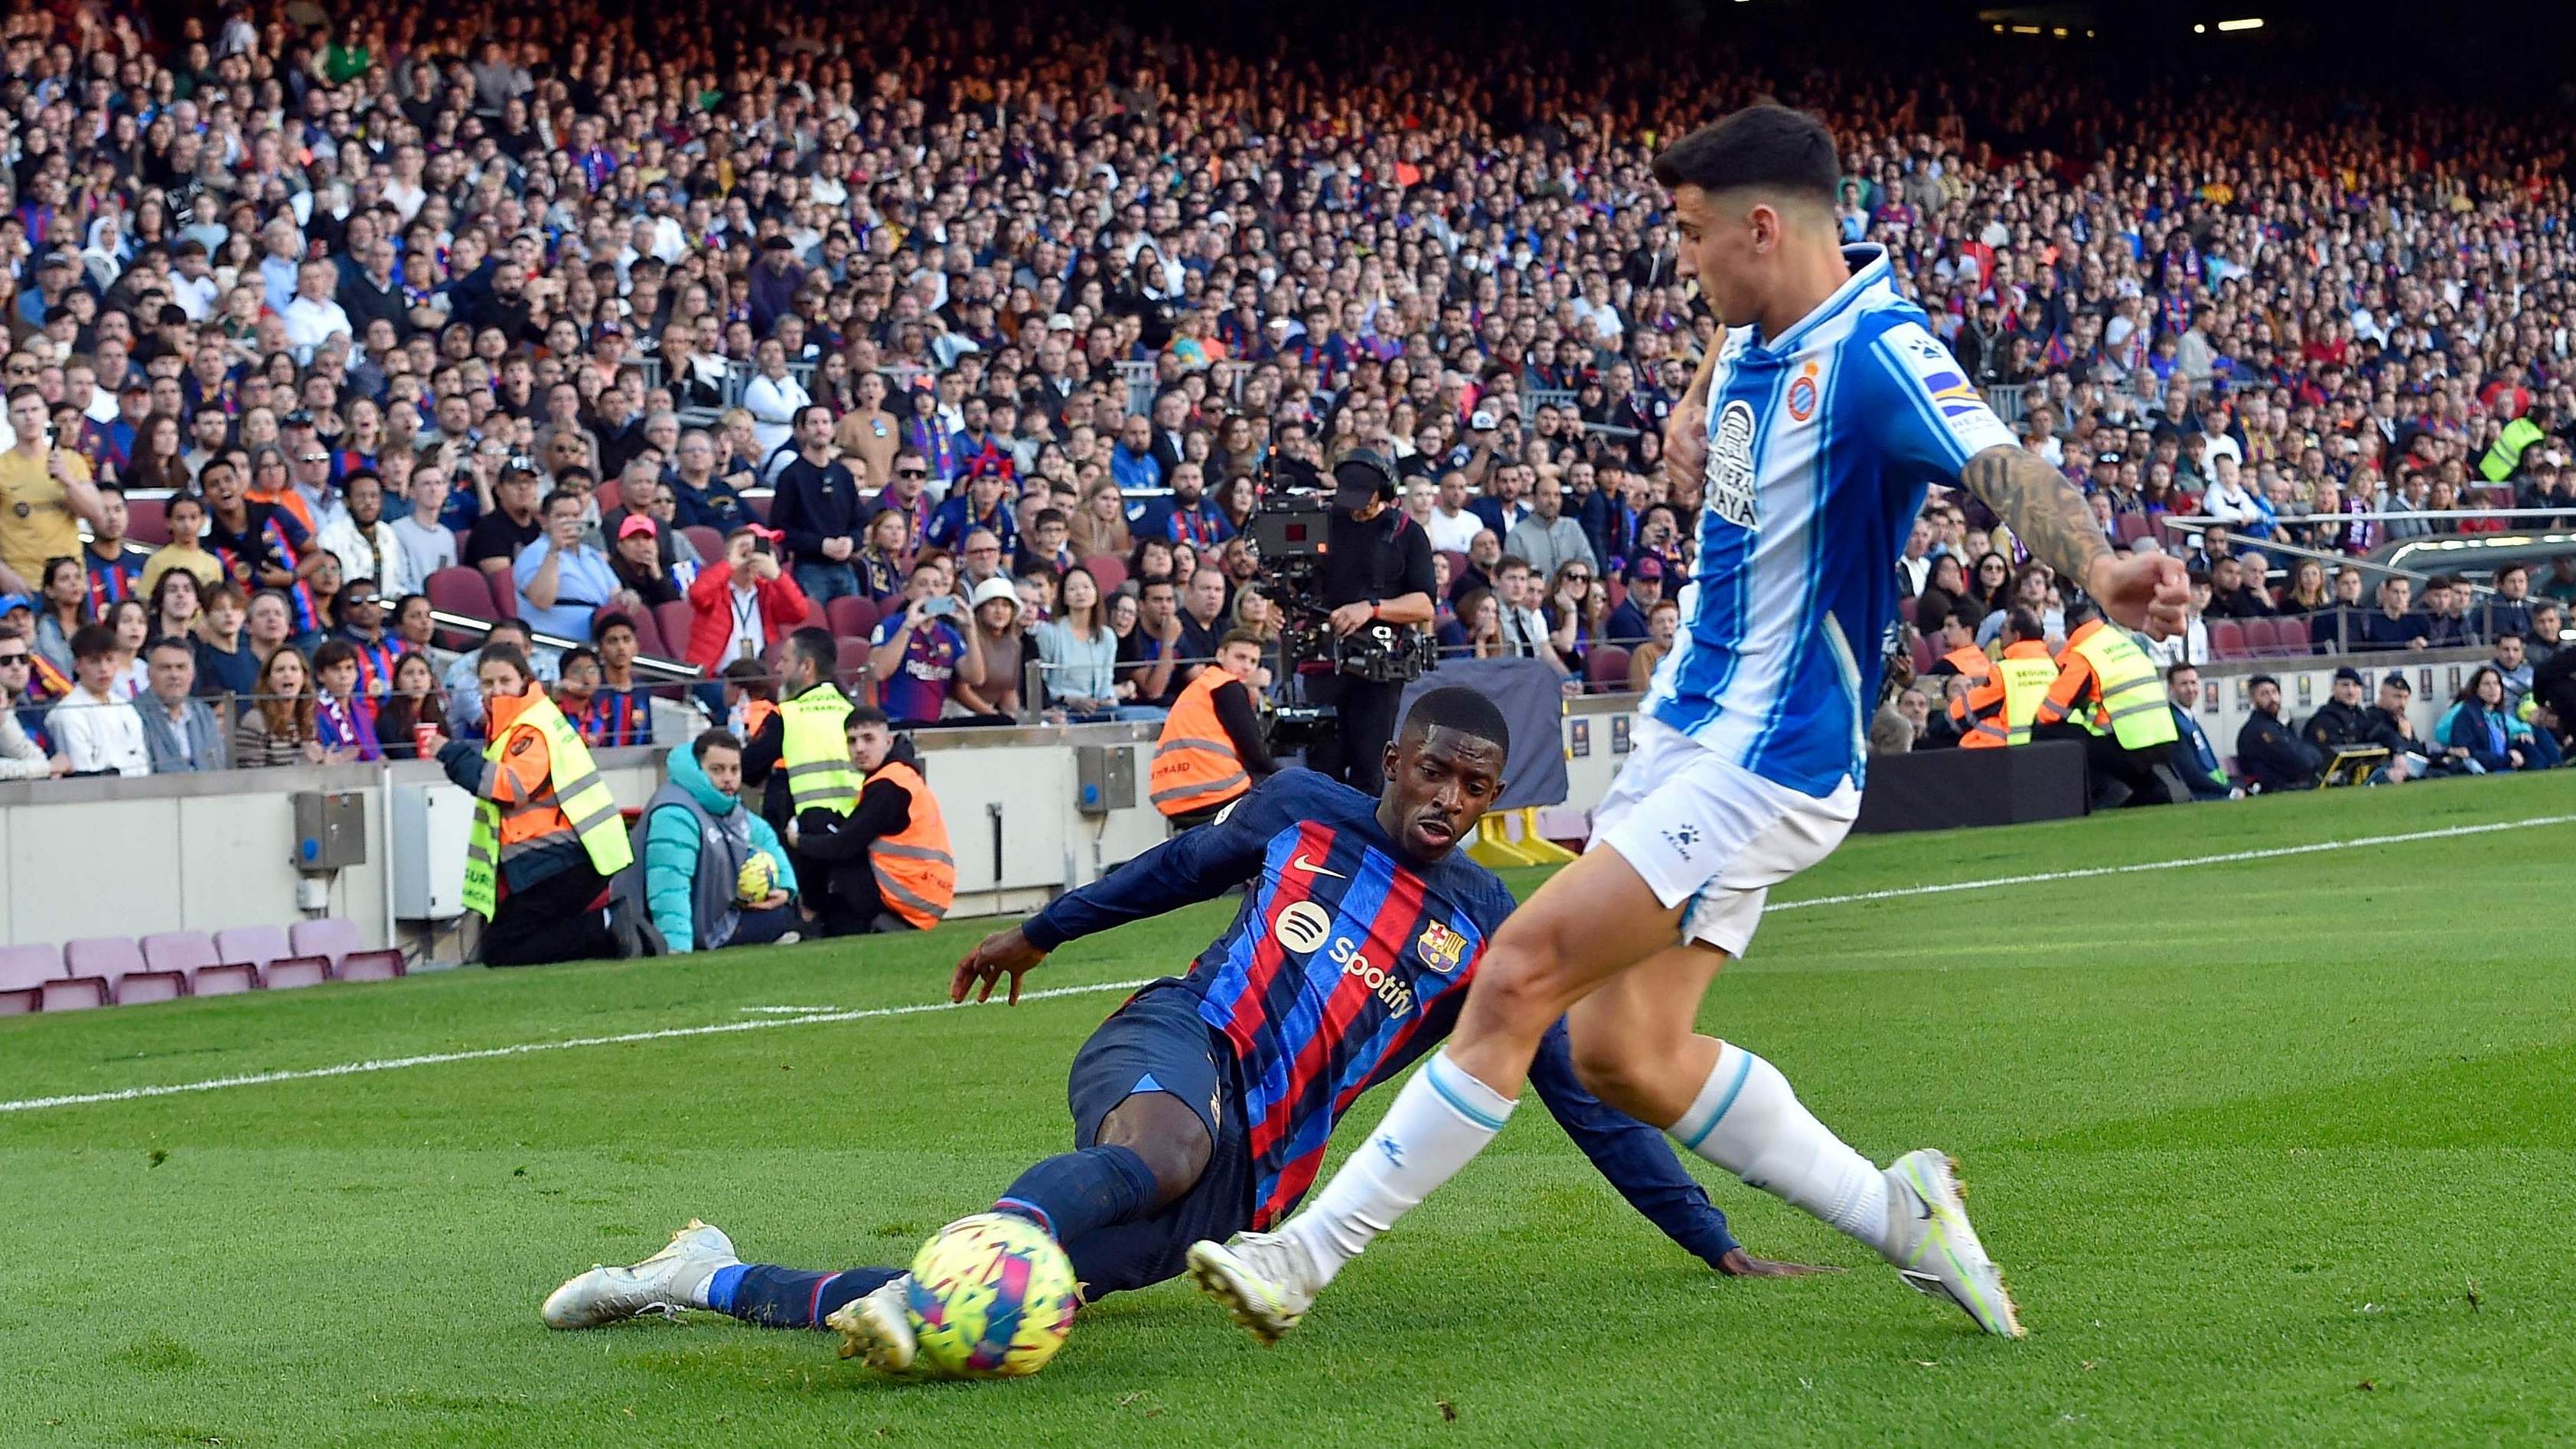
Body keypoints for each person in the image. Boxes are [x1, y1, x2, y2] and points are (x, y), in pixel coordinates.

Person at [1189, 106, 2186, 1346]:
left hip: (1767, 757)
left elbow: (1996, 461)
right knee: (1626, 1051)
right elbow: (1737, 371)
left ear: (1761, 227)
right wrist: (1696, 394)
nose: (1683, 260)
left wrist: (2099, 566)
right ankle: (1905, 1216)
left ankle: (1301, 1257)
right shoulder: (1757, 333)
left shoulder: (1878, 352)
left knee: (1516, 974)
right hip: (1688, 736)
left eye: (1691, 233)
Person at [542, 690, 1811, 1364]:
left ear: (1493, 799)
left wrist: (1710, 1239)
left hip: (1255, 1181)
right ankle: (1006, 1224)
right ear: (1394, 763)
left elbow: (1581, 1095)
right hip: (1172, 1044)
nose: (1445, 798)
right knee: (1158, 1153)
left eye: (1473, 786)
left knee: (956, 1318)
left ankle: (697, 1272)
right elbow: (1174, 868)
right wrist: (1043, 931)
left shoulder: (1491, 928)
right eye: (1430, 770)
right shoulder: (1304, 807)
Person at [437, 641, 639, 965]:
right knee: (511, 941)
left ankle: (606, 927)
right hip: (575, 852)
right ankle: (606, 929)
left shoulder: (529, 727)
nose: (496, 690)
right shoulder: (529, 720)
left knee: (503, 948)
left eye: (505, 681)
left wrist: (451, 754)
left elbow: (510, 788)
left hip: (561, 856)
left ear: (524, 680)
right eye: (488, 683)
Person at [1309, 449, 1436, 793]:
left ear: (1384, 493)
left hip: (1378, 665)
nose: (1354, 507)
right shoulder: (1325, 523)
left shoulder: (1407, 534)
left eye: (1363, 499)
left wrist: (1372, 608)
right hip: (1323, 660)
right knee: (1323, 766)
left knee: (1370, 766)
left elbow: (1424, 604)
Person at [780, 703, 957, 935]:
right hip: (926, 891)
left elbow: (842, 846)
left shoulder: (888, 786)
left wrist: (797, 841)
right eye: (852, 741)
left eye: (868, 739)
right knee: (820, 820)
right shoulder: (900, 774)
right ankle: (820, 916)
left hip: (907, 894)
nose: (860, 748)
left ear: (888, 742)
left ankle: (809, 915)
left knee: (817, 829)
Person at [618, 730, 802, 955]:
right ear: (698, 768)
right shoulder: (675, 813)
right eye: (717, 770)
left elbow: (765, 837)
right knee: (779, 921)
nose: (728, 778)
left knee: (783, 913)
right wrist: (676, 948)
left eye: (734, 770)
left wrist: (784, 886)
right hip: (650, 926)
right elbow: (669, 886)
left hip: (706, 918)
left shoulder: (728, 806)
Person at [2031, 602, 2184, 806]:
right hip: (2163, 738)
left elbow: (2049, 712)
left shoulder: (2085, 654)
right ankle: (2153, 793)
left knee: (2048, 733)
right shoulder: (2124, 643)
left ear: (2071, 626)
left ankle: (2100, 795)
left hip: (2129, 743)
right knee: (2144, 783)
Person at [1150, 630, 1280, 824]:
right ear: (1220, 655)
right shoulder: (1226, 686)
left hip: (1168, 794)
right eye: (1240, 657)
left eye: (1253, 662)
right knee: (1281, 789)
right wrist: (1283, 775)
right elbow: (1254, 751)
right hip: (1214, 790)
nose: (1246, 666)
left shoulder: (1199, 687)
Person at [0, 384, 105, 597]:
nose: (29, 417)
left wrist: (67, 480)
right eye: (21, 411)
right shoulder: (2, 467)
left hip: (70, 582)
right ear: (9, 418)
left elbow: (96, 514)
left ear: (46, 414)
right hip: (23, 581)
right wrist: (3, 574)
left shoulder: (70, 461)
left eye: (35, 410)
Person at [769, 404, 869, 607]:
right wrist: (821, 545)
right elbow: (780, 529)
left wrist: (851, 541)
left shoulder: (843, 474)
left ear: (833, 429)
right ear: (803, 430)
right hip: (810, 569)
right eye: (813, 423)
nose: (820, 428)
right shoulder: (790, 476)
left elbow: (859, 521)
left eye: (825, 422)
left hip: (845, 567)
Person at [683, 525, 813, 677]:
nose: (751, 559)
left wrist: (777, 575)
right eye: (744, 553)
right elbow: (697, 595)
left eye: (756, 553)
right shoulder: (716, 589)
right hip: (717, 677)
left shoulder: (766, 591)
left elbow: (799, 612)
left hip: (759, 676)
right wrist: (729, 565)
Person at [866, 563, 981, 729]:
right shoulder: (891, 625)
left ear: (944, 592)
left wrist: (970, 627)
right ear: (909, 591)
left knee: (1001, 722)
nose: (931, 591)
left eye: (937, 585)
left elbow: (976, 678)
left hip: (933, 727)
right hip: (896, 724)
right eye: (922, 584)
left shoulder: (949, 634)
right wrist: (909, 626)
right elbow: (879, 671)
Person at [514, 488, 622, 642]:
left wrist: (626, 597)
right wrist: (555, 550)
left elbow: (615, 595)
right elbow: (541, 600)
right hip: (553, 645)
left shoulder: (591, 555)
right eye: (562, 516)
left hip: (596, 644)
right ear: (545, 521)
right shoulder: (533, 553)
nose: (570, 521)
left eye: (576, 515)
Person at [46, 623, 150, 775]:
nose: (104, 669)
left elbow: (142, 763)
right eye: (95, 661)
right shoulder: (67, 713)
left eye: (109, 660)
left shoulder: (126, 708)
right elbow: (83, 769)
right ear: (78, 665)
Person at [1945, 605, 2054, 749]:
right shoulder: (2053, 668)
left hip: (2011, 750)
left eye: (2003, 627)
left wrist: (1944, 720)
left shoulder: (2005, 671)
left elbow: (1975, 705)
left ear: (2016, 636)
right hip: (2051, 746)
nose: (2000, 632)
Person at [2300, 665, 2406, 784]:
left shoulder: (2361, 716)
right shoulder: (2324, 720)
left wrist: (2399, 752)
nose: (2351, 691)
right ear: (2334, 688)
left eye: (2355, 686)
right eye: (2345, 685)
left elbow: (2383, 733)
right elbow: (2326, 759)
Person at [2436, 666, 2549, 772]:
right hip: (2484, 769)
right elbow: (2470, 752)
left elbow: (2508, 734)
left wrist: (2521, 735)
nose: (2493, 688)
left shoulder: (2498, 715)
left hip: (2502, 763)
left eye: (2496, 684)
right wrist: (2508, 759)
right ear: (2476, 689)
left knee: (2528, 743)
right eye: (2487, 684)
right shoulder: (2467, 714)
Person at [948, 576, 1026, 720]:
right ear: (980, 609)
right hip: (959, 713)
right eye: (992, 604)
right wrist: (992, 716)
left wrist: (1015, 718)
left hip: (991, 715)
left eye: (1005, 605)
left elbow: (1009, 691)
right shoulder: (966, 637)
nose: (999, 611)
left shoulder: (1015, 645)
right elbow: (960, 690)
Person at [234, 645, 323, 768]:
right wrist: (302, 763)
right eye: (280, 670)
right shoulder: (254, 722)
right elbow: (249, 778)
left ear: (304, 678)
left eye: (294, 669)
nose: (287, 674)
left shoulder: (308, 720)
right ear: (268, 680)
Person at [2234, 674, 2322, 793]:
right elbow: (2293, 760)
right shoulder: (2256, 730)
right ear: (2253, 699)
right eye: (2264, 694)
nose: (2272, 698)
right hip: (2272, 791)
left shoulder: (2278, 727)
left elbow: (2309, 754)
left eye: (2274, 692)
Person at [0, 628, 65, 778]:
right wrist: (48, 768)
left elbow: (43, 761)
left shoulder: (35, 712)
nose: (16, 666)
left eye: (23, 659)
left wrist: (47, 768)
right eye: (5, 661)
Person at [2164, 665, 2235, 801]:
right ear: (2171, 688)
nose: (2190, 689)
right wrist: (2227, 790)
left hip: (2214, 793)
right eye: (2184, 684)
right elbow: (2190, 772)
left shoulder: (2189, 720)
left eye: (2193, 683)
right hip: (2201, 797)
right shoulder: (2173, 722)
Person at [309, 639, 383, 762]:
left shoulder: (362, 710)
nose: (344, 675)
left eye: (349, 668)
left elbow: (378, 753)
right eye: (336, 669)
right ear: (320, 675)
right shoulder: (316, 713)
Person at [374, 651, 452, 761]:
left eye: (422, 673)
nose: (416, 679)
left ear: (431, 679)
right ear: (397, 681)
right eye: (409, 673)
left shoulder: (438, 714)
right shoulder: (388, 719)